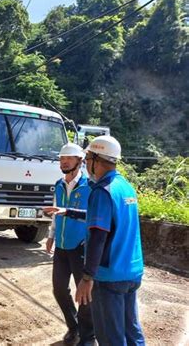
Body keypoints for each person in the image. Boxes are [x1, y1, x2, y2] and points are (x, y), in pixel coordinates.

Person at [75, 135, 145, 345]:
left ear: (96, 159)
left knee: (110, 336)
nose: (86, 165)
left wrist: (87, 278)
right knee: (131, 331)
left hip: (110, 276)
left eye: (87, 159)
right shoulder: (125, 187)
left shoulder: (102, 192)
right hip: (131, 272)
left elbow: (98, 237)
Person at [43, 143, 95, 346]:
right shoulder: (58, 184)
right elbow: (56, 213)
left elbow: (93, 217)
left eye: (69, 158)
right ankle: (74, 328)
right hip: (62, 246)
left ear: (80, 161)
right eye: (61, 158)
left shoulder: (89, 186)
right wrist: (51, 235)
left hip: (81, 245)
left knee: (83, 293)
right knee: (59, 289)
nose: (64, 161)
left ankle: (87, 334)